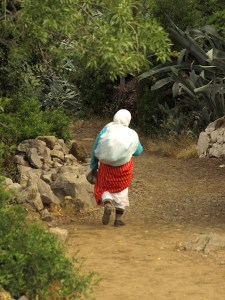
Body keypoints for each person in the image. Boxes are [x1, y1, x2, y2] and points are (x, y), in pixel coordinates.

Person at [88, 109, 143, 227]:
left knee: (104, 186)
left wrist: (93, 165)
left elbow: (96, 146)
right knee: (122, 190)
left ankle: (107, 202)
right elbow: (138, 151)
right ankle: (118, 219)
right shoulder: (131, 134)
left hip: (106, 167)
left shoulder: (107, 128)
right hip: (123, 169)